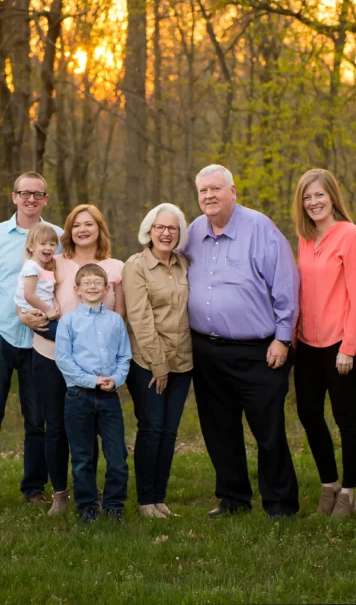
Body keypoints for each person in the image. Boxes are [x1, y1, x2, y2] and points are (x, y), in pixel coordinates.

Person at [182, 164, 300, 519]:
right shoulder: (192, 232)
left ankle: (280, 504)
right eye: (203, 190)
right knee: (219, 429)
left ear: (233, 191)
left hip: (259, 351)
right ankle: (233, 499)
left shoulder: (260, 228)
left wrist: (283, 338)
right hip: (206, 350)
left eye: (216, 189)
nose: (209, 196)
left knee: (269, 430)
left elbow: (286, 288)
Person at [21, 204, 125, 515]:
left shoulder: (116, 267)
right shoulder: (53, 262)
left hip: (94, 366)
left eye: (89, 224)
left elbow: (119, 317)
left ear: (99, 229)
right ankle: (60, 493)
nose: (82, 229)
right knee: (54, 427)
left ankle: (90, 492)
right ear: (68, 230)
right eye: (76, 224)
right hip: (51, 356)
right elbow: (24, 291)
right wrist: (22, 316)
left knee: (89, 428)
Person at [0, 172, 62, 506]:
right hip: (0, 336)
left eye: (38, 194)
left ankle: (34, 488)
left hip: (41, 341)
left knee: (36, 419)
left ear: (46, 199)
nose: (31, 199)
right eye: (25, 193)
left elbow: (65, 286)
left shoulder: (58, 237)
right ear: (14, 197)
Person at [291, 169, 356, 519]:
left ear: (332, 197)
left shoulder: (352, 236)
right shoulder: (305, 238)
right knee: (308, 413)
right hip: (307, 342)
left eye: (319, 195)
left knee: (346, 416)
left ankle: (349, 495)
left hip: (342, 342)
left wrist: (350, 347)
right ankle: (329, 487)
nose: (313, 203)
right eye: (307, 197)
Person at [122, 203, 192, 519]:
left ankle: (159, 498)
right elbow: (139, 318)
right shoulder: (136, 266)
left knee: (169, 430)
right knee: (151, 427)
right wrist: (158, 363)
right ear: (149, 231)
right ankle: (145, 500)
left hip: (184, 362)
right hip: (148, 364)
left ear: (180, 234)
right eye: (160, 228)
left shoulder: (184, 265)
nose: (166, 233)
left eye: (172, 228)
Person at [54, 264, 132, 524]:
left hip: (109, 397)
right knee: (82, 457)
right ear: (76, 290)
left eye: (97, 282)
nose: (92, 286)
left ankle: (113, 505)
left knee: (117, 457)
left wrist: (116, 379)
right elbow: (64, 360)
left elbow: (124, 357)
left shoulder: (115, 321)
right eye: (86, 282)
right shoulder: (68, 322)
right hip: (78, 397)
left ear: (107, 288)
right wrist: (91, 380)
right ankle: (87, 507)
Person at [13, 223, 62, 342]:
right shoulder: (31, 267)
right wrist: (48, 309)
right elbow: (29, 295)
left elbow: (48, 289)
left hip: (46, 313)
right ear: (31, 247)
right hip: (37, 316)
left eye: (52, 244)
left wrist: (55, 304)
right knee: (66, 337)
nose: (48, 247)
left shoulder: (45, 267)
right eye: (43, 244)